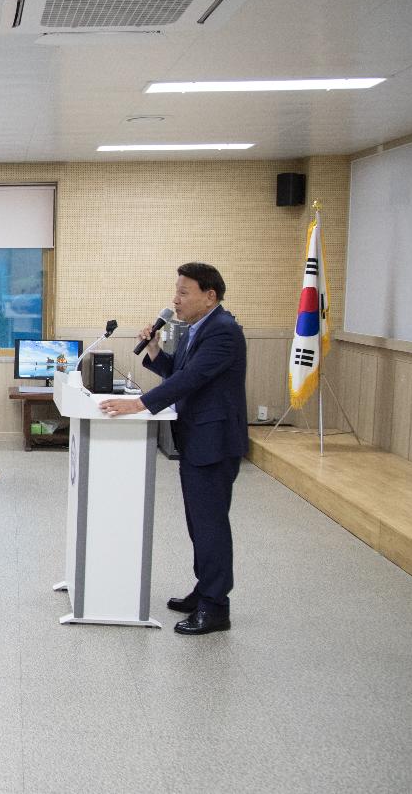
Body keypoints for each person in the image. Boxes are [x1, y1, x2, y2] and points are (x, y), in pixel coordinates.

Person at [98, 262, 247, 637]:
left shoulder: (224, 332)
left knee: (211, 525)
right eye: (176, 291)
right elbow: (175, 371)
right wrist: (153, 348)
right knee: (199, 524)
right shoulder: (198, 330)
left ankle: (216, 608)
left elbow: (192, 379)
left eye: (183, 292)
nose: (175, 300)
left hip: (214, 443)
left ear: (209, 295)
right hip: (197, 440)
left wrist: (141, 404)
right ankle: (204, 590)